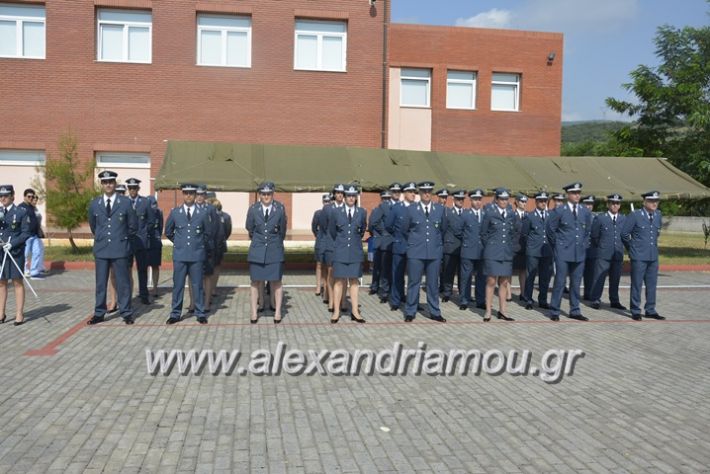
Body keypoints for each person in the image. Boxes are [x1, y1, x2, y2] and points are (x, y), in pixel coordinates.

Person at [87, 171, 137, 325]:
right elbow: (93, 226)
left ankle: (126, 312)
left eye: (111, 182)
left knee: (123, 282)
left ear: (115, 183)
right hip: (102, 248)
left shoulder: (125, 202)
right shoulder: (95, 203)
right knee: (101, 283)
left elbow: (133, 226)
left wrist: (120, 237)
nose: (108, 184)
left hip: (120, 248)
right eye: (105, 182)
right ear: (102, 184)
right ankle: (99, 313)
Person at [165, 184, 212, 324]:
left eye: (191, 193)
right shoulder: (175, 213)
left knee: (197, 285)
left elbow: (207, 233)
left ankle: (200, 312)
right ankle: (175, 313)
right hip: (180, 255)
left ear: (195, 194)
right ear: (182, 194)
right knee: (178, 285)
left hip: (196, 255)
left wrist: (198, 245)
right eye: (186, 193)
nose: (189, 196)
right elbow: (168, 231)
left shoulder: (202, 213)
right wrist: (179, 242)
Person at [546, 182, 593, 321]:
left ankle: (575, 310)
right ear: (568, 195)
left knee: (576, 283)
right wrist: (558, 246)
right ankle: (555, 311)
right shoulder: (560, 210)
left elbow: (587, 231)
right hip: (563, 252)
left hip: (579, 252)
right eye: (574, 193)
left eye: (579, 193)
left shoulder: (585, 211)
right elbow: (550, 230)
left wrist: (584, 244)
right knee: (560, 282)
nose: (577, 195)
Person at [401, 181, 446, 323]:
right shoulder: (411, 209)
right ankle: (410, 311)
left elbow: (443, 229)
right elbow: (404, 229)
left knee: (433, 283)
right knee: (414, 282)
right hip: (416, 251)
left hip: (434, 251)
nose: (427, 194)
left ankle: (434, 312)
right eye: (424, 191)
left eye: (429, 191)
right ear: (420, 193)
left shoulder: (440, 209)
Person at [246, 182, 287, 324]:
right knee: (255, 282)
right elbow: (249, 228)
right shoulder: (253, 209)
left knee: (277, 282)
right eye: (263, 194)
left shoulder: (280, 209)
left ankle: (277, 312)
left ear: (273, 194)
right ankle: (253, 312)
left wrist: (274, 243)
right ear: (260, 195)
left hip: (274, 250)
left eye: (269, 194)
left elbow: (282, 231)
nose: (266, 196)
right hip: (257, 250)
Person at [621, 191, 665, 320]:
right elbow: (624, 234)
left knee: (652, 284)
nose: (654, 203)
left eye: (656, 201)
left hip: (652, 256)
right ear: (644, 202)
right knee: (637, 284)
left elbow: (656, 233)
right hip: (639, 256)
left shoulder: (658, 215)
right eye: (651, 201)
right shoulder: (635, 215)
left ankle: (650, 309)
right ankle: (635, 309)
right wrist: (632, 249)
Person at [328, 184, 367, 323]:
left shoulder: (362, 212)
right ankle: (336, 311)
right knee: (339, 281)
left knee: (354, 282)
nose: (351, 198)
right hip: (340, 251)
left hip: (355, 251)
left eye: (353, 196)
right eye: (348, 196)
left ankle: (355, 311)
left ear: (356, 197)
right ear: (344, 197)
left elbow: (362, 229)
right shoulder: (336, 213)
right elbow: (333, 232)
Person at [480, 188, 519, 322]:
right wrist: (490, 246)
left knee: (504, 282)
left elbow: (514, 233)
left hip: (506, 252)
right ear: (496, 200)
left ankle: (503, 311)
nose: (504, 201)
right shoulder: (490, 213)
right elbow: (483, 233)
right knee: (491, 281)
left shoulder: (511, 214)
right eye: (501, 199)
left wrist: (511, 248)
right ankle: (488, 311)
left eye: (506, 199)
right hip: (492, 252)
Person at [0, 185, 32, 325]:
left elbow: (26, 233)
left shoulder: (21, 212)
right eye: (1, 196)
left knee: (17, 281)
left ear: (13, 196)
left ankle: (19, 313)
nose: (3, 198)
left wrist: (12, 243)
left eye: (6, 196)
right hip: (1, 253)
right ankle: (1, 312)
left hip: (15, 252)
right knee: (1, 283)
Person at [590, 194, 627, 311]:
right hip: (603, 254)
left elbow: (625, 235)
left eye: (617, 203)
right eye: (612, 203)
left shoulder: (624, 219)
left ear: (620, 205)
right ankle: (595, 299)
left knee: (615, 279)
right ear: (608, 204)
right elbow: (595, 236)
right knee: (598, 278)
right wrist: (602, 247)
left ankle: (614, 300)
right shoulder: (600, 218)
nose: (615, 205)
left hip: (617, 254)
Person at [385, 181, 417, 312]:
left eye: (414, 192)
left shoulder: (417, 207)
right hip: (400, 246)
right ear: (404, 194)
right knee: (397, 275)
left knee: (414, 277)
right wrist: (397, 236)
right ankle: (396, 301)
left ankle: (412, 302)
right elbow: (388, 225)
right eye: (410, 192)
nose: (413, 194)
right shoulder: (397, 208)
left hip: (415, 247)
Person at [521, 191, 553, 310]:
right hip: (533, 251)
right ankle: (528, 299)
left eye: (545, 201)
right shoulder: (530, 216)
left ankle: (543, 300)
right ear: (536, 202)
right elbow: (524, 234)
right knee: (531, 276)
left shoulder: (551, 215)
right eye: (541, 201)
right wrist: (530, 246)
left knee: (545, 277)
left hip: (547, 251)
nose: (543, 203)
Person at [126, 178, 154, 305]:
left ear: (138, 189)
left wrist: (144, 232)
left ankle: (144, 295)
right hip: (127, 241)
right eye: (130, 188)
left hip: (141, 242)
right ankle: (127, 296)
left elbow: (151, 221)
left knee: (142, 269)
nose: (132, 190)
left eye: (134, 188)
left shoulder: (145, 202)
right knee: (126, 269)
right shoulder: (124, 202)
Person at [459, 189, 487, 311]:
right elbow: (459, 231)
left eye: (479, 199)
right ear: (471, 200)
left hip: (482, 251)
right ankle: (464, 300)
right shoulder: (465, 214)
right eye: (475, 199)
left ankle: (480, 300)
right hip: (468, 250)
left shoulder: (486, 215)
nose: (477, 202)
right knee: (466, 276)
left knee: (481, 277)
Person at [192, 185, 218, 312]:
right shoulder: (190, 208)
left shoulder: (211, 209)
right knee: (193, 276)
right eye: (197, 195)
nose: (199, 197)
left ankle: (206, 303)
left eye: (202, 195)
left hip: (207, 247)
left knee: (207, 275)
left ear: (205, 196)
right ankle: (193, 303)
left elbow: (215, 227)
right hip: (193, 248)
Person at [323, 184, 346, 313]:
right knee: (331, 272)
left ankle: (343, 302)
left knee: (344, 274)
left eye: (342, 193)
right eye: (337, 193)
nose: (340, 195)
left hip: (342, 246)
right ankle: (331, 300)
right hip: (331, 244)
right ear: (334, 194)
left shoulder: (347, 207)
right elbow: (325, 226)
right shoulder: (328, 209)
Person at [440, 190, 465, 303]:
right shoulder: (448, 213)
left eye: (462, 199)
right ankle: (447, 293)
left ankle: (462, 293)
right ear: (454, 200)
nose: (460, 201)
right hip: (450, 246)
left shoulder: (466, 213)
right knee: (448, 271)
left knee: (462, 273)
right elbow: (444, 229)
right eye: (458, 199)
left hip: (462, 247)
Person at [367, 190, 391, 297]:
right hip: (378, 241)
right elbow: (371, 225)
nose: (386, 200)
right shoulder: (376, 210)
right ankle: (375, 287)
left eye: (387, 198)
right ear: (381, 199)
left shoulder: (392, 210)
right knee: (377, 267)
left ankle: (380, 287)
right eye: (384, 198)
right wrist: (381, 233)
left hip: (387, 242)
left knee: (386, 267)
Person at [20, 189, 46, 280]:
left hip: (34, 235)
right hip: (26, 235)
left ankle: (34, 272)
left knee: (37, 252)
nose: (31, 198)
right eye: (29, 196)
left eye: (32, 196)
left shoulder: (32, 207)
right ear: (24, 197)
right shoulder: (21, 207)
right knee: (25, 254)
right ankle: (24, 270)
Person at [209, 198, 231, 295]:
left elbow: (227, 231)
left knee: (211, 268)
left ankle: (209, 289)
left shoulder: (210, 216)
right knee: (216, 267)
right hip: (220, 244)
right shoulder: (226, 216)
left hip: (213, 245)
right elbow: (227, 231)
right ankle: (212, 289)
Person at [510, 193, 528, 302]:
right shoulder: (512, 215)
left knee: (523, 271)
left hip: (524, 247)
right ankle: (508, 294)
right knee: (509, 271)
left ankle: (523, 293)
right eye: (522, 201)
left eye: (525, 202)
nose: (524, 204)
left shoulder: (528, 215)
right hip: (513, 247)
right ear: (516, 202)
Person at [312, 193, 331, 297]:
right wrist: (318, 235)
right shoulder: (318, 213)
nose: (327, 203)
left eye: (328, 201)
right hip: (320, 241)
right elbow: (314, 227)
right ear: (322, 202)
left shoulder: (333, 212)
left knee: (328, 266)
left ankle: (326, 287)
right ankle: (318, 286)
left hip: (330, 241)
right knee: (319, 265)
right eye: (325, 201)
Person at [581, 195, 598, 301]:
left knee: (591, 273)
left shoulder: (596, 217)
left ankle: (589, 293)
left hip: (592, 248)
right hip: (580, 249)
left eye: (591, 204)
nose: (589, 206)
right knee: (577, 273)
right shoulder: (578, 216)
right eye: (587, 204)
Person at [147, 195, 163, 298]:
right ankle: (144, 289)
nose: (153, 207)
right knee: (144, 267)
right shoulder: (143, 212)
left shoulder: (159, 213)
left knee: (155, 266)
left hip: (155, 242)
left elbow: (160, 227)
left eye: (154, 205)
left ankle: (155, 288)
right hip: (145, 242)